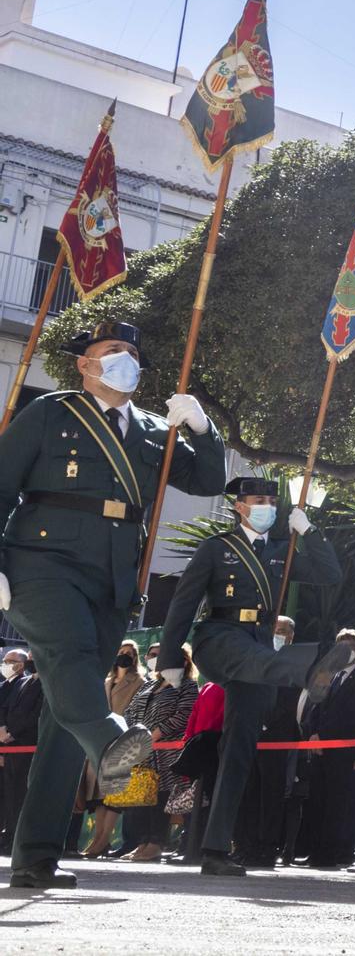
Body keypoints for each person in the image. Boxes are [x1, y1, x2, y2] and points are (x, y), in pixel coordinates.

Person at [0, 320, 226, 888]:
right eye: (111, 350)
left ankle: (36, 857)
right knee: (72, 661)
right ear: (84, 364)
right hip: (41, 563)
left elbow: (209, 480)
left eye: (132, 350)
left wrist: (203, 428)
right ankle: (115, 742)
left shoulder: (154, 429)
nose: (125, 359)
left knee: (61, 717)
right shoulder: (51, 413)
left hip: (112, 576)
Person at [156, 476, 349, 875]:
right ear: (240, 506)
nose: (266, 507)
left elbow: (330, 574)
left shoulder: (283, 549)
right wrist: (170, 656)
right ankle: (311, 668)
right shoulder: (217, 548)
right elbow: (184, 602)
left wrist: (309, 531)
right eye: (258, 500)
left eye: (271, 501)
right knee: (263, 660)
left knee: (238, 752)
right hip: (220, 636)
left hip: (259, 642)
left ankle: (214, 849)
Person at [235, 615, 304, 869]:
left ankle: (267, 847)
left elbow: (290, 700)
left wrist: (267, 722)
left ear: (291, 636)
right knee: (249, 792)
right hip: (252, 735)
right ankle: (245, 845)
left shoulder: (294, 663)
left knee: (271, 795)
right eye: (276, 629)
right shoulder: (259, 657)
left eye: (284, 630)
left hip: (277, 736)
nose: (279, 634)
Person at [302, 631, 355, 869]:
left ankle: (331, 852)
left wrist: (326, 737)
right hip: (321, 749)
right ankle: (316, 849)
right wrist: (314, 734)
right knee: (318, 800)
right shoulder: (331, 676)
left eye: (350, 646)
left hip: (343, 751)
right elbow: (317, 708)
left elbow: (354, 717)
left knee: (337, 804)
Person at [122, 644, 198, 863]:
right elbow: (130, 711)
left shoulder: (187, 686)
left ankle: (157, 843)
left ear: (184, 661)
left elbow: (184, 714)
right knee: (145, 799)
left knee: (162, 798)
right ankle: (143, 842)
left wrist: (154, 734)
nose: (159, 661)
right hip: (143, 751)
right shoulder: (150, 686)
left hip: (167, 753)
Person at [81, 641, 143, 857]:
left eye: (129, 653)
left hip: (121, 741)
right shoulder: (105, 681)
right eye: (121, 652)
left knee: (113, 796)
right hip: (98, 742)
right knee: (97, 796)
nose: (124, 656)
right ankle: (98, 839)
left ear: (136, 658)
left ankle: (104, 838)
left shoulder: (140, 682)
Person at [167, 674, 226, 864]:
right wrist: (189, 740)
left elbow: (222, 717)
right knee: (194, 801)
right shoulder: (208, 685)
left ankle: (199, 846)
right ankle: (187, 844)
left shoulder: (227, 686)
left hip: (213, 747)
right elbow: (195, 714)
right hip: (199, 748)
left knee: (206, 801)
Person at [0, 649, 39, 854]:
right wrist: (3, 730)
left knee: (22, 793)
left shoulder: (45, 685)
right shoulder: (22, 684)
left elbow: (36, 715)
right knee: (11, 794)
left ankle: (19, 837)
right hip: (10, 747)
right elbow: (6, 710)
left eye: (33, 659)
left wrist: (14, 733)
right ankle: (10, 834)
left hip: (27, 745)